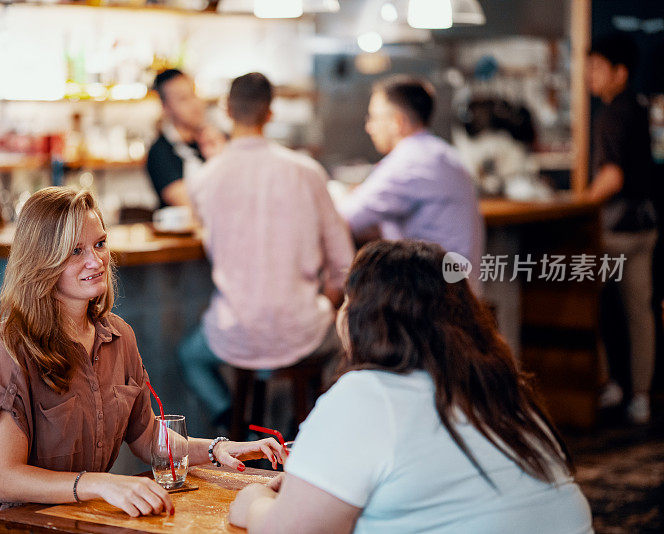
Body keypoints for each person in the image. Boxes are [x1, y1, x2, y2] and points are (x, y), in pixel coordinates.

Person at [0, 187, 287, 533]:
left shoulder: (118, 335)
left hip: (79, 518)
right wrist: (100, 484)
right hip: (11, 523)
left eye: (99, 244)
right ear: (42, 260)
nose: (96, 261)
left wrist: (220, 449)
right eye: (76, 251)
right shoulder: (9, 347)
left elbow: (146, 438)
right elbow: (6, 478)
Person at [228, 240, 594, 534]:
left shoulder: (367, 393)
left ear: (366, 319)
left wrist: (255, 502)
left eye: (348, 300)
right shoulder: (498, 386)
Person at [179, 72, 355, 429]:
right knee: (350, 348)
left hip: (235, 329)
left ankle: (238, 426)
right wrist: (331, 298)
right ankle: (300, 432)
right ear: (270, 113)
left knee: (189, 357)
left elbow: (203, 232)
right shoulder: (307, 172)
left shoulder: (204, 179)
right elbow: (344, 262)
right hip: (303, 326)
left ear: (227, 110)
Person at [340, 76, 484, 293]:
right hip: (460, 289)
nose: (369, 127)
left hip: (433, 298)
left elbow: (346, 218)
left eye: (374, 118)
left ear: (397, 122)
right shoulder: (442, 153)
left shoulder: (408, 161)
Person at [586, 33, 657, 424]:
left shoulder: (612, 114)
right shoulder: (639, 107)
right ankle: (640, 396)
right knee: (639, 313)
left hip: (615, 229)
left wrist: (578, 203)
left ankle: (605, 383)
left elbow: (611, 178)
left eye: (597, 67)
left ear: (620, 72)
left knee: (587, 305)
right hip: (646, 225)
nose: (589, 75)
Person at [146, 69, 225, 208]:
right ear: (166, 107)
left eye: (194, 94)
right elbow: (187, 203)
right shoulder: (160, 152)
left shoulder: (217, 140)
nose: (194, 104)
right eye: (183, 99)